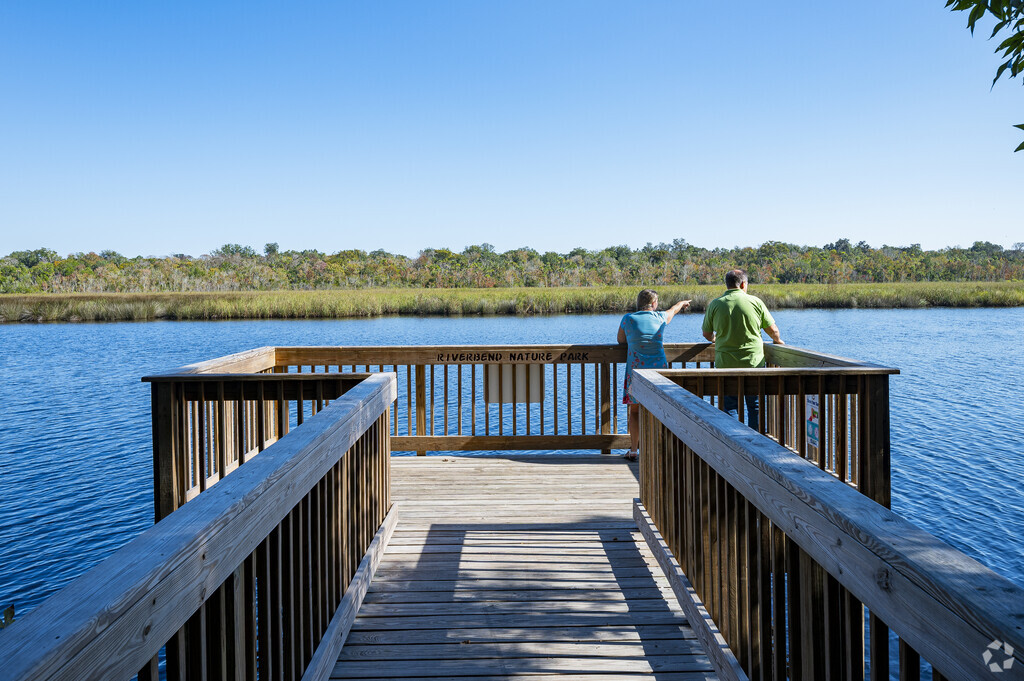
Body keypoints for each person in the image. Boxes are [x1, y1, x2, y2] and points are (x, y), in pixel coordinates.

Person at [701, 269, 783, 428]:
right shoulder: (755, 302)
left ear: (727, 284)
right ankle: (756, 439)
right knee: (755, 406)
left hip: (726, 365)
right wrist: (778, 341)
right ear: (743, 284)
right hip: (753, 363)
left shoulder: (716, 304)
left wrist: (714, 339)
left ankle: (733, 438)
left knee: (730, 407)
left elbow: (706, 333)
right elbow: (773, 330)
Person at [618, 289, 691, 460]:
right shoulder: (660, 318)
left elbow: (620, 340)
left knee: (634, 411)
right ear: (653, 304)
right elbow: (673, 310)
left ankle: (634, 450)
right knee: (660, 410)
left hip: (636, 371)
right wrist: (682, 303)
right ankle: (660, 451)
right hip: (659, 372)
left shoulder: (628, 319)